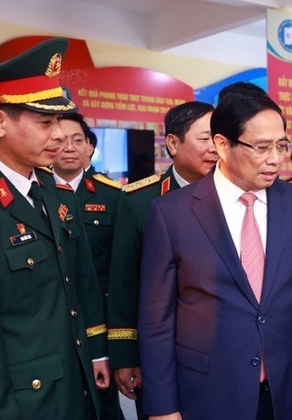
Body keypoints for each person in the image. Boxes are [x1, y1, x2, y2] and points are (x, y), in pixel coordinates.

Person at [138, 88, 292, 419]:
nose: (276, 158)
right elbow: (156, 320)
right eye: (262, 148)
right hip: (209, 391)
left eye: (281, 145)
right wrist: (163, 406)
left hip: (291, 387)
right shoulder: (171, 213)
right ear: (222, 144)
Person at [0, 37, 109, 418]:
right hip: (26, 404)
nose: (58, 136)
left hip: (72, 393)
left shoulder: (48, 189)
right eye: (45, 123)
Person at [106, 101, 217, 418]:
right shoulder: (140, 201)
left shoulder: (235, 198)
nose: (214, 149)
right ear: (173, 143)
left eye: (219, 139)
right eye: (205, 139)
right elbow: (124, 283)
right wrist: (127, 356)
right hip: (162, 351)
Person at [51, 112, 124, 420]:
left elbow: (122, 271)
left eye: (77, 140)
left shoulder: (113, 195)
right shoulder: (37, 194)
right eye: (60, 140)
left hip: (102, 322)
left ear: (89, 148)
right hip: (56, 323)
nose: (69, 147)